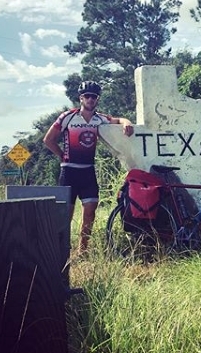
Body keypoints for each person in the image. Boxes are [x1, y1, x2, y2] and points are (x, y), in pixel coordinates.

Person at [43, 80, 134, 254]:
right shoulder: (67, 116)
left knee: (90, 212)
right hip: (68, 172)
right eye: (87, 96)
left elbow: (117, 120)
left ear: (97, 99)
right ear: (81, 98)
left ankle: (82, 251)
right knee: (65, 215)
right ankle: (61, 252)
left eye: (94, 96)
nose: (90, 99)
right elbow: (48, 139)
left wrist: (126, 122)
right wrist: (62, 155)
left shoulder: (99, 119)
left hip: (88, 171)